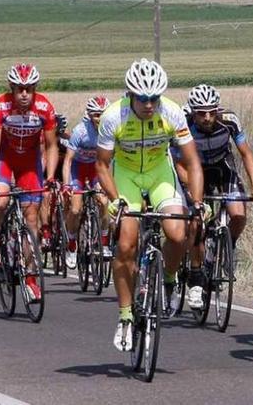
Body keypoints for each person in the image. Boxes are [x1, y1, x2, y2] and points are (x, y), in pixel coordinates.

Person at [95, 58, 204, 352]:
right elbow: (103, 166)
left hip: (159, 173)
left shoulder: (172, 112)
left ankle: (169, 279)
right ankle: (126, 315)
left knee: (178, 233)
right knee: (127, 243)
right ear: (130, 94)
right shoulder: (112, 117)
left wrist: (198, 200)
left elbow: (192, 161)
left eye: (154, 98)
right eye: (142, 98)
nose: (148, 104)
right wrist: (114, 198)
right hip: (126, 176)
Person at [174, 84, 253, 310]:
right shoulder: (182, 124)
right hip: (192, 171)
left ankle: (228, 247)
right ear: (192, 111)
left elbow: (246, 154)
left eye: (211, 111)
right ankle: (195, 277)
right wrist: (191, 190)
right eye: (201, 113)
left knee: (237, 214)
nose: (207, 118)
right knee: (196, 223)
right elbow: (178, 162)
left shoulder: (230, 121)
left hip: (222, 168)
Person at [0, 63, 58, 302]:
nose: (24, 94)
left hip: (29, 163)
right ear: (12, 89)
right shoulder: (1, 106)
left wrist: (49, 177)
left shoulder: (45, 107)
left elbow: (52, 146)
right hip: (6, 158)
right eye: (19, 89)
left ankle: (30, 277)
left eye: (28, 88)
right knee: (1, 201)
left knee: (32, 218)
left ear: (35, 88)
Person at [62, 96, 110, 270]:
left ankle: (103, 243)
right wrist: (67, 185)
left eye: (103, 114)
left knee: (104, 202)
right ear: (90, 115)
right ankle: (72, 243)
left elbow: (113, 160)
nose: (100, 119)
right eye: (97, 115)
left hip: (96, 170)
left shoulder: (111, 130)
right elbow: (67, 160)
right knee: (75, 209)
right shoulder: (80, 131)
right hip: (78, 170)